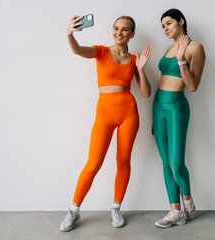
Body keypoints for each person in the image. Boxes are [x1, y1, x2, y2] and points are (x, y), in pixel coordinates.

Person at [60, 15, 151, 232]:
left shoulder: (133, 59)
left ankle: (116, 208)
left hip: (129, 113)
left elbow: (146, 93)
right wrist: (69, 34)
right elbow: (77, 50)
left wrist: (141, 68)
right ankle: (74, 210)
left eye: (125, 29)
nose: (119, 33)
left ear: (132, 33)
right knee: (93, 164)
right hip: (105, 114)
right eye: (116, 28)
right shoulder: (101, 51)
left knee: (123, 161)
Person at [152, 8, 206, 228]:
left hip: (176, 107)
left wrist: (182, 59)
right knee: (166, 163)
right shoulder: (167, 48)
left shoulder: (196, 47)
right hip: (158, 107)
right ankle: (175, 212)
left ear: (181, 21)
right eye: (163, 25)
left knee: (176, 164)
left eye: (169, 23)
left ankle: (188, 201)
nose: (166, 28)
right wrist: (154, 118)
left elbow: (193, 86)